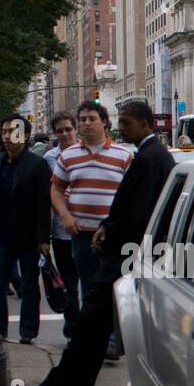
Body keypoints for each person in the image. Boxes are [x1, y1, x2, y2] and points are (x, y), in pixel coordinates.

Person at [27, 101, 175, 386]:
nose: (123, 127)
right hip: (119, 250)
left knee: (92, 321)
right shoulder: (151, 155)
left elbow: (134, 212)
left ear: (144, 124)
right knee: (93, 322)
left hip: (122, 255)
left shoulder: (146, 158)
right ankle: (75, 380)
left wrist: (106, 234)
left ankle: (67, 381)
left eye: (127, 122)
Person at [49, 100, 134, 360]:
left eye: (91, 118)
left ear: (104, 122)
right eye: (82, 119)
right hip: (82, 235)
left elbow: (131, 195)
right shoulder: (68, 156)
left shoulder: (123, 156)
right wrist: (65, 216)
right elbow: (56, 189)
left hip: (112, 236)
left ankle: (110, 340)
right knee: (89, 288)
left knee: (112, 288)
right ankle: (91, 341)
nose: (86, 123)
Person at [0, 114, 51, 344]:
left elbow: (43, 202)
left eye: (13, 131)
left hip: (29, 236)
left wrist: (43, 238)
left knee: (29, 284)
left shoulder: (37, 165)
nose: (8, 136)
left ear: (26, 135)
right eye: (5, 131)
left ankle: (28, 331)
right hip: (0, 236)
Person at [43, 111, 81, 341]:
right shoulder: (50, 158)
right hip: (61, 231)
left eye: (68, 129)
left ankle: (93, 332)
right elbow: (55, 191)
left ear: (75, 129)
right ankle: (73, 331)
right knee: (70, 284)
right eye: (60, 130)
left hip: (87, 229)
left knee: (91, 284)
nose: (65, 134)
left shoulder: (87, 152)